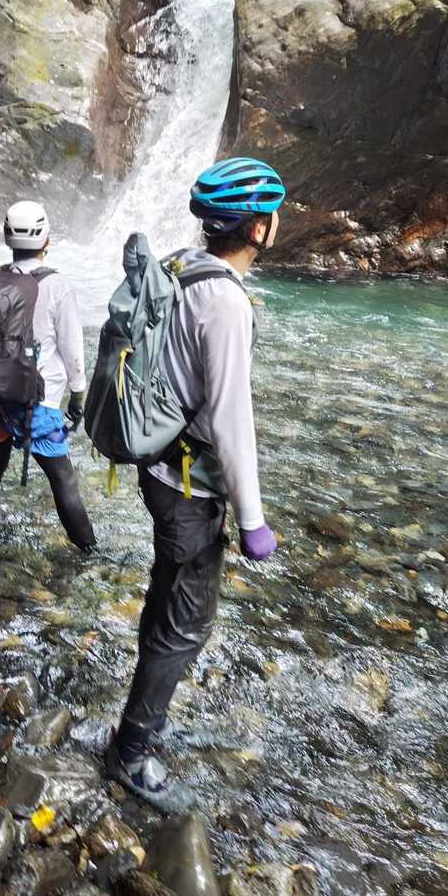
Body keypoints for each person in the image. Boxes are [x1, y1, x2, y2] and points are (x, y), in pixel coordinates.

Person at [106, 157, 284, 810]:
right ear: (257, 229)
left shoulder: (181, 264)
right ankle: (130, 750)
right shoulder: (227, 302)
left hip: (158, 463)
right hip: (189, 484)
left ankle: (142, 717)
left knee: (169, 596)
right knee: (187, 624)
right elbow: (232, 418)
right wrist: (253, 520)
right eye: (273, 214)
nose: (277, 222)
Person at [0, 199, 97, 554]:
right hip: (37, 403)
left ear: (7, 238)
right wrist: (78, 395)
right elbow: (72, 349)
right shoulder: (57, 286)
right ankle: (89, 552)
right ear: (47, 240)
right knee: (63, 480)